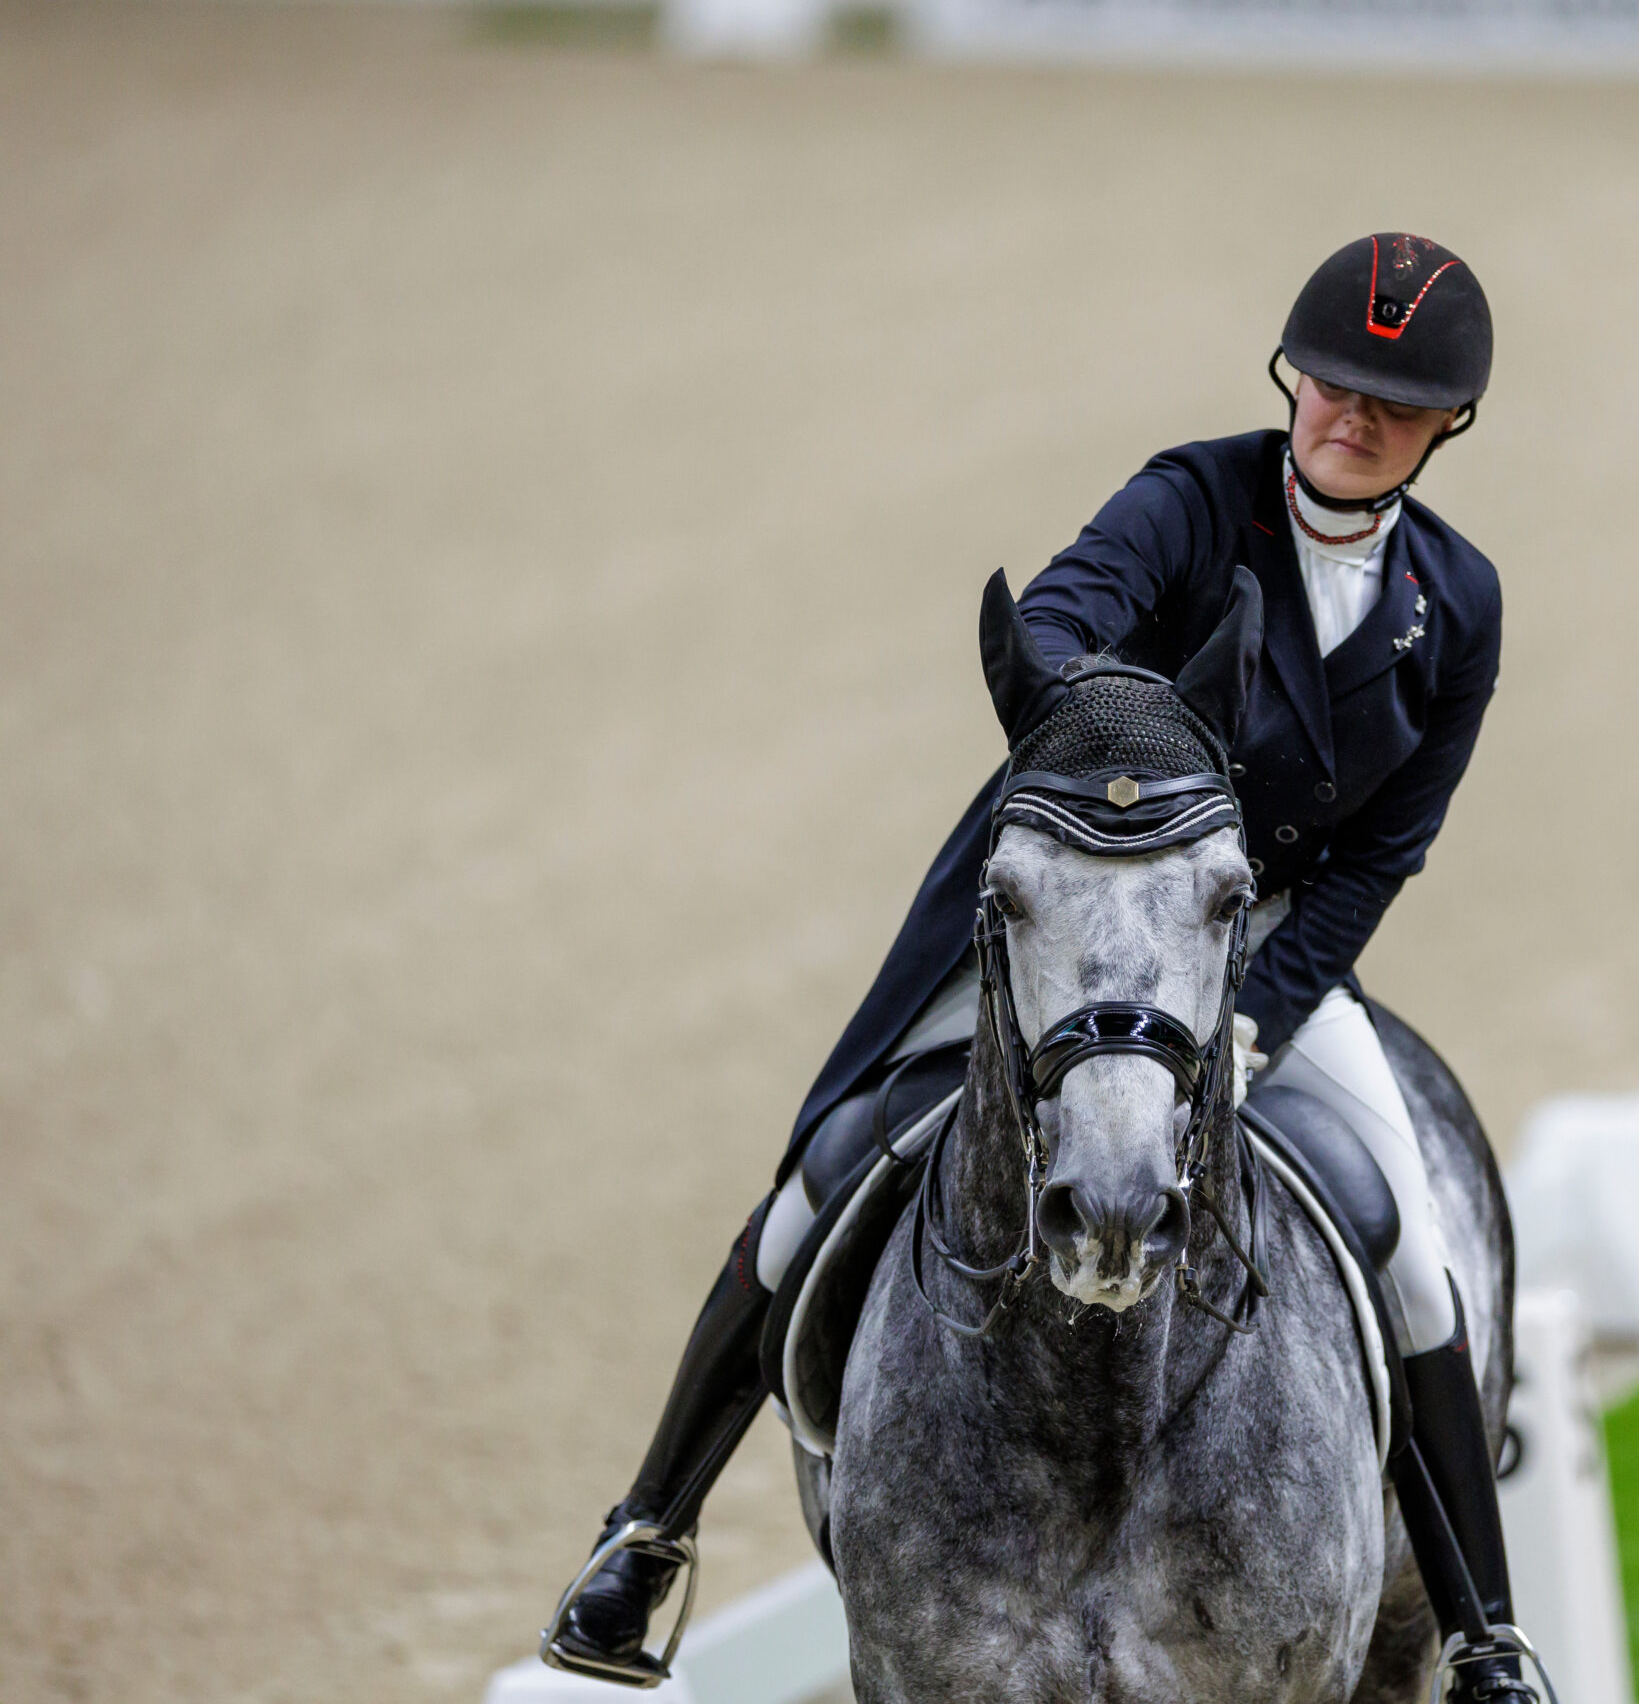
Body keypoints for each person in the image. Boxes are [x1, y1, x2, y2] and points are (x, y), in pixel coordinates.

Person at [549, 232, 1528, 1699]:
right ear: (1292, 378)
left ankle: (1482, 1635)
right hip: (1067, 900)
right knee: (822, 1178)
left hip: (1259, 951)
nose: (1348, 416)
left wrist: (1253, 1014)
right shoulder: (1192, 499)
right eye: (1329, 383)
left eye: (1389, 403)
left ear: (1445, 426)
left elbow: (1386, 848)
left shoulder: (1455, 604)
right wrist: (1122, 746)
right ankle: (646, 1538)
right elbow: (1062, 615)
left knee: (1412, 1250)